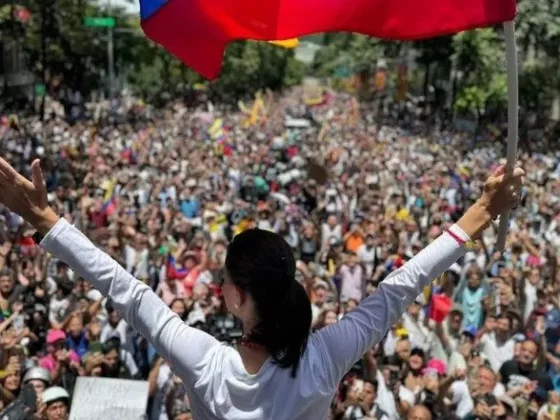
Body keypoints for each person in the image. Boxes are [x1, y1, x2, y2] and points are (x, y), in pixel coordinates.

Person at [0, 157, 523, 420]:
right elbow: (398, 290)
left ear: (236, 296)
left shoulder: (206, 363)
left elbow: (129, 293)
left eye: (225, 280)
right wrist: (479, 213)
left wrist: (45, 218)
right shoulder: (324, 359)